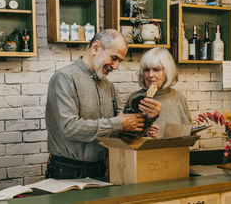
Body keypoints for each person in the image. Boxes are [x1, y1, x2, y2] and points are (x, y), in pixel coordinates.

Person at [45, 29, 161, 179]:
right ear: (95, 48)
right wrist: (119, 123)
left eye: (119, 61)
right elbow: (69, 128)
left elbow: (123, 127)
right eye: (114, 58)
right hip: (67, 170)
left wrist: (149, 118)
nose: (115, 66)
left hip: (101, 169)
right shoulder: (64, 79)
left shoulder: (108, 86)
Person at [127, 47, 192, 138]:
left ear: (167, 72)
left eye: (156, 70)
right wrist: (144, 132)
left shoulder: (179, 98)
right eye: (146, 70)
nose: (150, 75)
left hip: (174, 151)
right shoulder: (135, 98)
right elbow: (126, 137)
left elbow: (188, 133)